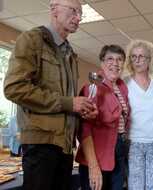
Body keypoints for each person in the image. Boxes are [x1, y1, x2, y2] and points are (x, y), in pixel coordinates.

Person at [3, 0, 97, 189]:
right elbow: (14, 88)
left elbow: (67, 102)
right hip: (41, 145)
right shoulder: (31, 40)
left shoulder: (70, 53)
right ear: (54, 9)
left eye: (80, 14)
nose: (78, 18)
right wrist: (70, 104)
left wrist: (82, 111)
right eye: (73, 11)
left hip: (65, 146)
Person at [76, 45, 130, 190]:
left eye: (119, 59)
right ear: (102, 62)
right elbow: (84, 130)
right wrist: (93, 166)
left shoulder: (122, 88)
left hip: (119, 154)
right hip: (97, 155)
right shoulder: (92, 88)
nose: (115, 63)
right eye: (110, 59)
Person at [125, 39, 153, 190]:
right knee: (135, 186)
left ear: (150, 59)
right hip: (134, 142)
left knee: (152, 186)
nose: (137, 60)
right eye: (134, 56)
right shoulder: (124, 83)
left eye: (142, 56)